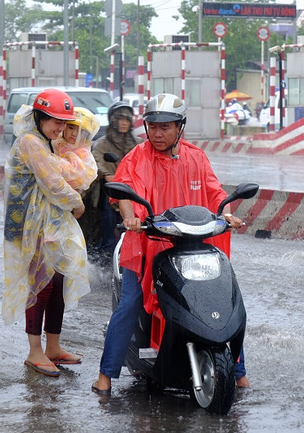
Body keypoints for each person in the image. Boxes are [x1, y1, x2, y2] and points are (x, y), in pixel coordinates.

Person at [92, 93, 249, 396]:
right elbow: (124, 194)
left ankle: (238, 370)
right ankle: (106, 374)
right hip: (148, 246)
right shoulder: (137, 157)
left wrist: (227, 213)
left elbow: (215, 192)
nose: (157, 133)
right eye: (152, 126)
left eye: (165, 127)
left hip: (190, 246)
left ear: (180, 126)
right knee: (130, 304)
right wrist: (130, 219)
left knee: (223, 303)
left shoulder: (196, 157)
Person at [2, 89, 97, 377]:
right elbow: (54, 183)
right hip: (28, 224)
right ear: (41, 117)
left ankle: (53, 346)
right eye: (56, 121)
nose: (61, 128)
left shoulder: (48, 142)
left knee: (57, 279)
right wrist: (77, 204)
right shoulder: (31, 142)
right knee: (40, 285)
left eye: (64, 122)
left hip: (48, 222)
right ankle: (35, 351)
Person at [80, 100, 141, 262]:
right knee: (107, 229)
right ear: (113, 120)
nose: (123, 123)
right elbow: (100, 168)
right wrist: (114, 177)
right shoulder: (101, 144)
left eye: (127, 119)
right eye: (120, 119)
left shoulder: (137, 144)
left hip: (135, 194)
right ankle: (105, 258)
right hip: (108, 194)